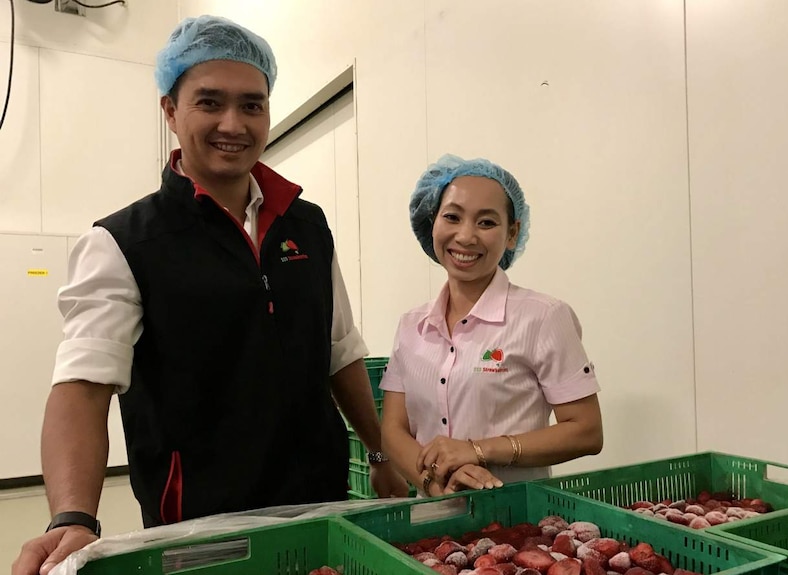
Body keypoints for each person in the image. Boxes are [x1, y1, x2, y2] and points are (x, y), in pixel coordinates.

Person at [12, 15, 407, 575]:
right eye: (209, 102)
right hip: (198, 519)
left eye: (252, 105)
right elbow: (82, 385)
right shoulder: (124, 242)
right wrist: (72, 516)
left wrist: (379, 450)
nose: (233, 123)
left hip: (319, 497)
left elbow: (340, 349)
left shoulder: (308, 224)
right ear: (170, 111)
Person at [380, 154, 604, 497]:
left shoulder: (543, 317)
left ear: (512, 233)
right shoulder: (412, 325)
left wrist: (478, 450)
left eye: (486, 222)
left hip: (520, 526)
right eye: (452, 217)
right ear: (432, 222)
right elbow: (393, 431)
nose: (466, 236)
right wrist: (435, 482)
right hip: (430, 523)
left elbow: (586, 431)